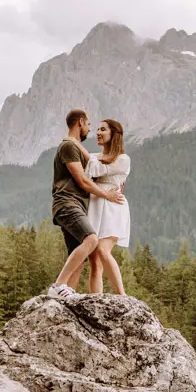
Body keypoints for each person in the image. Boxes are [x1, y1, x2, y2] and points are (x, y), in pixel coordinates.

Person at [46, 108, 125, 300]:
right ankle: (58, 286)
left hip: (78, 205)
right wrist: (107, 194)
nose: (91, 130)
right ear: (80, 122)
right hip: (67, 203)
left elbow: (97, 165)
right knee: (91, 240)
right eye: (89, 125)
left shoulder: (74, 146)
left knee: (78, 258)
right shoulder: (68, 146)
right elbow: (82, 180)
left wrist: (116, 182)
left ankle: (65, 299)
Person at [85, 118, 130, 295]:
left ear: (114, 134)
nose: (98, 132)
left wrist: (88, 157)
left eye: (103, 129)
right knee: (94, 261)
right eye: (97, 129)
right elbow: (85, 178)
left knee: (103, 250)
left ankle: (122, 296)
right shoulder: (94, 157)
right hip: (95, 206)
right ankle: (95, 300)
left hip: (113, 206)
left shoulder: (123, 159)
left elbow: (98, 170)